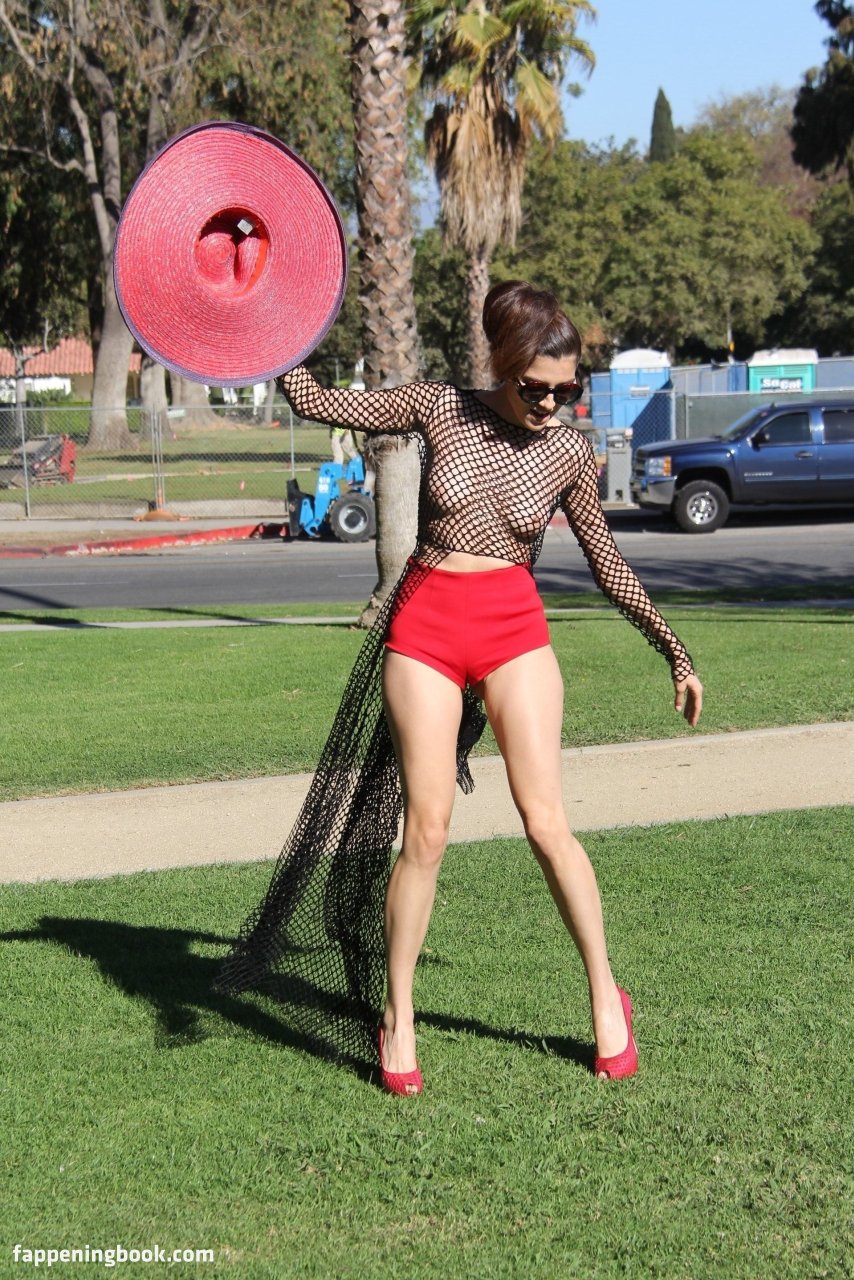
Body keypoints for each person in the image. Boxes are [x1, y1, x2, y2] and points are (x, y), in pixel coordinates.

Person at [216, 281, 702, 1093]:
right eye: (537, 388)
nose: (551, 404)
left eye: (567, 390)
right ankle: (398, 1015)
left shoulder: (568, 453)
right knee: (428, 831)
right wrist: (269, 321)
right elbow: (319, 401)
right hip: (427, 629)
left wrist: (674, 653)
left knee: (546, 822)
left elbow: (607, 563)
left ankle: (605, 997)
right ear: (504, 367)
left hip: (513, 630)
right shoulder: (441, 407)